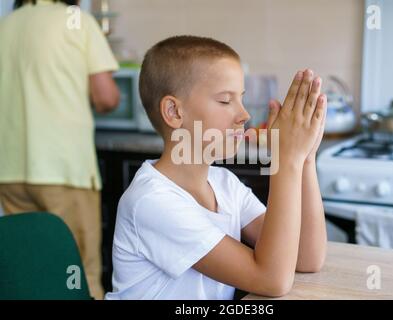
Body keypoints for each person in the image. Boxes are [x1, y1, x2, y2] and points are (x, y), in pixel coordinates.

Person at [105, 35, 327, 300]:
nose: (244, 115)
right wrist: (284, 159)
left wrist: (305, 159)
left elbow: (307, 257)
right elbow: (272, 280)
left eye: (241, 99)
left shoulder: (224, 184)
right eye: (225, 101)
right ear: (174, 112)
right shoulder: (151, 201)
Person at [0, 0, 120, 300]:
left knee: (32, 270)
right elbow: (105, 97)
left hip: (10, 170)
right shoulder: (76, 20)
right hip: (63, 168)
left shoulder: (7, 24)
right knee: (78, 273)